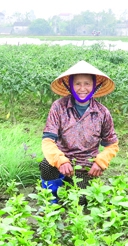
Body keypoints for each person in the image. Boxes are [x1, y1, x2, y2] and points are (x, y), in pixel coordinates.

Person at [40, 60, 119, 204]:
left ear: (95, 86)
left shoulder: (102, 113)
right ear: (70, 85)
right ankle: (51, 199)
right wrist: (61, 160)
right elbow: (47, 141)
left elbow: (112, 145)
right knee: (46, 165)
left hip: (86, 167)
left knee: (81, 200)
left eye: (87, 83)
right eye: (77, 83)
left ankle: (71, 186)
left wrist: (101, 161)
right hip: (62, 163)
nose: (82, 88)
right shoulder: (58, 107)